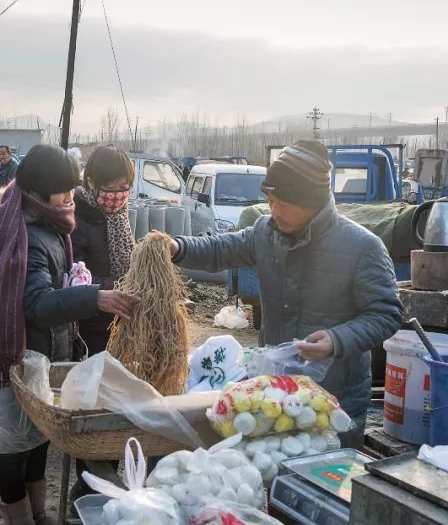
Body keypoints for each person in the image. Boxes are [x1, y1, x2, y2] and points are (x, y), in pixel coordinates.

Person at [169, 140, 401, 447]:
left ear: (312, 201)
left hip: (334, 398)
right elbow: (221, 248)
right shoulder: (266, 232)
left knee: (326, 481)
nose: (274, 210)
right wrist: (178, 247)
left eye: (284, 203)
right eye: (270, 200)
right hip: (276, 392)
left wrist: (337, 339)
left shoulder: (362, 247)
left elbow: (387, 314)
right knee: (275, 473)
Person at [0, 144, 134, 525]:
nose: (70, 197)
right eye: (62, 191)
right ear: (39, 193)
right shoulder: (27, 235)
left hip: (46, 352)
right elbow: (36, 304)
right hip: (25, 353)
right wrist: (94, 297)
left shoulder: (49, 224)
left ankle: (39, 515)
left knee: (36, 440)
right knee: (15, 446)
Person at [72, 145, 136, 355]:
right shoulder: (77, 218)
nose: (117, 195)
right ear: (91, 182)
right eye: (110, 188)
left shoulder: (120, 214)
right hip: (91, 323)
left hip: (120, 316)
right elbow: (73, 275)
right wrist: (116, 286)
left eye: (123, 187)